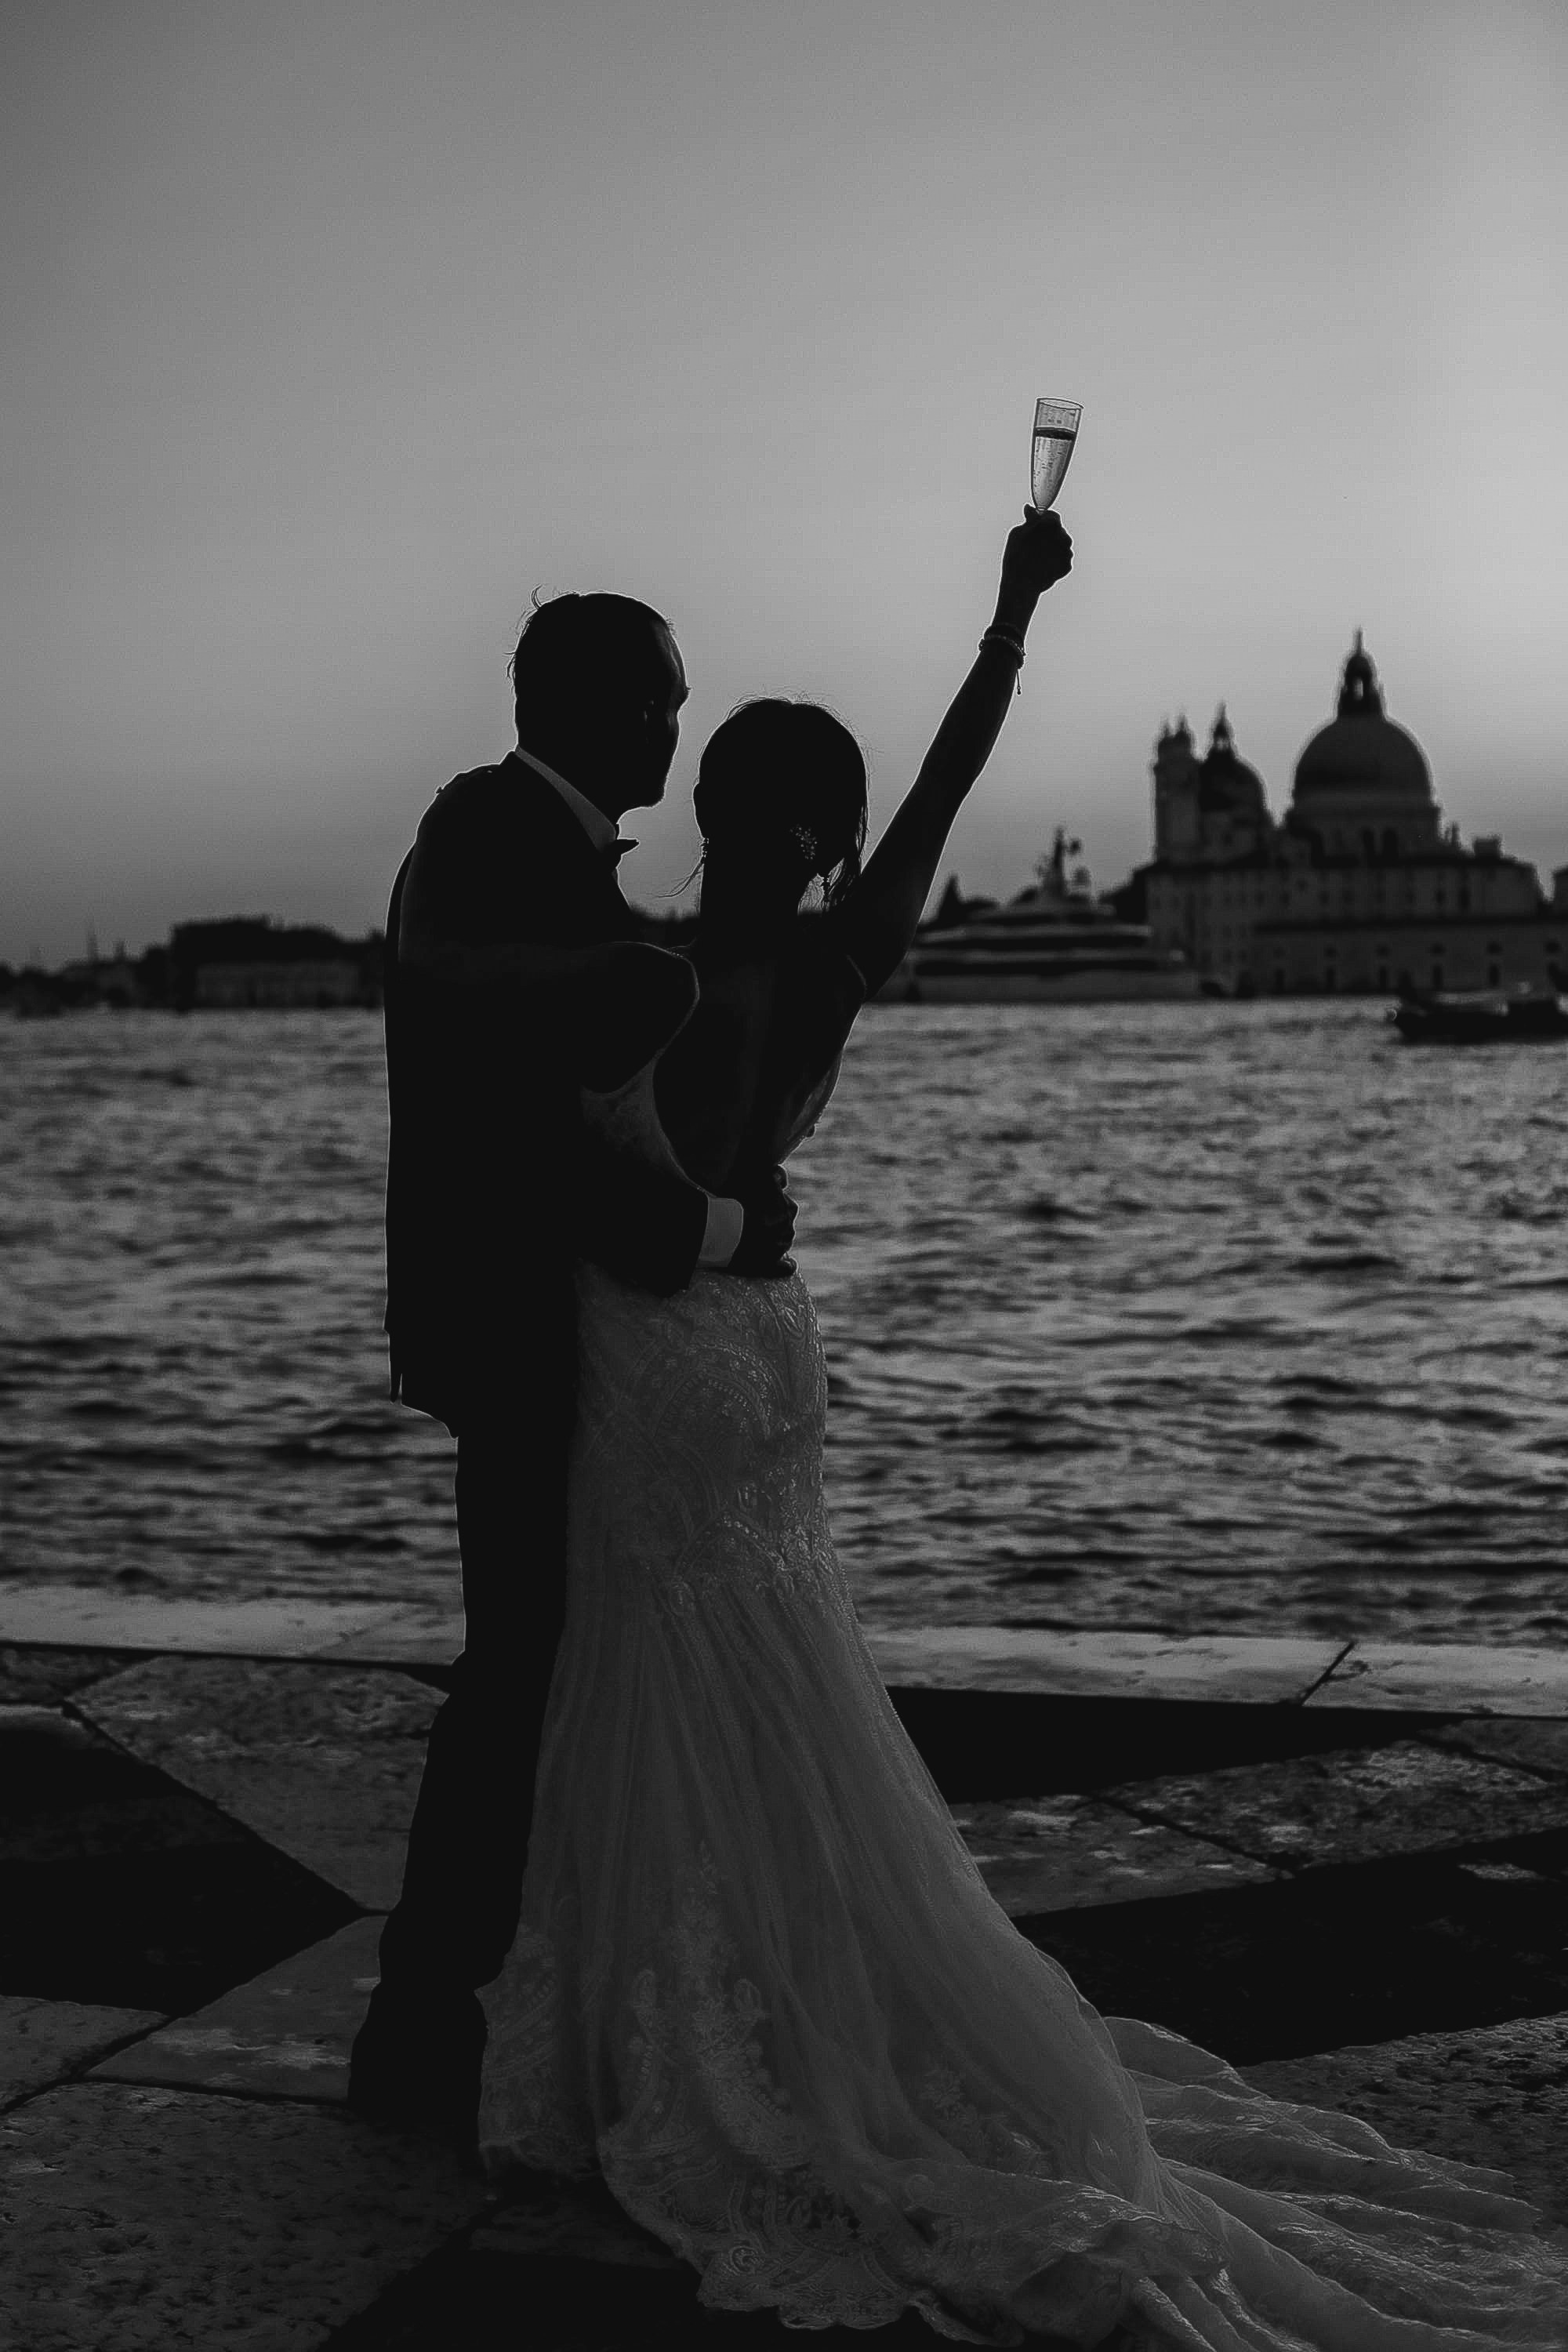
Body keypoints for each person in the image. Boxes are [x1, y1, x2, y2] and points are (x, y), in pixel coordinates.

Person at [474, 510, 1568, 2344]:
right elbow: (944, 786)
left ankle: (672, 2024)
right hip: (768, 1356)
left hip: (654, 1355)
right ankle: (791, 2004)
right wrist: (1006, 620)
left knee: (663, 1680)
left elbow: (560, 1154)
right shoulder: (837, 962)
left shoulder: (636, 971)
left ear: (710, 805)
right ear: (830, 836)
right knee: (776, 1679)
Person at [349, 592, 793, 2138]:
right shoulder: (494, 834)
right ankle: (427, 2018)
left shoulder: (521, 847)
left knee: (538, 1664)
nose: (677, 724)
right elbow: (529, 1128)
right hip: (519, 1318)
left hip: (520, 1315)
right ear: (591, 706)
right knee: (517, 1674)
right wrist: (723, 1230)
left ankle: (487, 2008)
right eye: (662, 699)